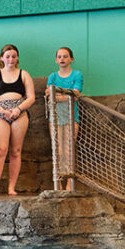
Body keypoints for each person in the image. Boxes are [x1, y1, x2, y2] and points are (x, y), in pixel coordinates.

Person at [0, 45, 36, 196]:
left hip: (19, 113)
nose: (10, 59)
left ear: (17, 58)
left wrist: (18, 109)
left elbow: (31, 97)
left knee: (16, 151)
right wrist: (2, 111)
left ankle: (11, 187)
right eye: (7, 56)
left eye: (13, 56)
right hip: (0, 114)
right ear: (2, 58)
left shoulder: (24, 74)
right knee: (1, 150)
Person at [46, 46, 83, 193]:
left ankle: (69, 184)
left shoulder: (77, 75)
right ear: (56, 60)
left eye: (65, 56)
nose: (62, 59)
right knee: (58, 151)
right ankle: (58, 183)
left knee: (68, 151)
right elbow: (49, 94)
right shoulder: (53, 77)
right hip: (55, 118)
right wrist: (65, 96)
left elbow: (76, 94)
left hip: (71, 116)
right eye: (59, 57)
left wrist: (59, 96)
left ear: (71, 59)